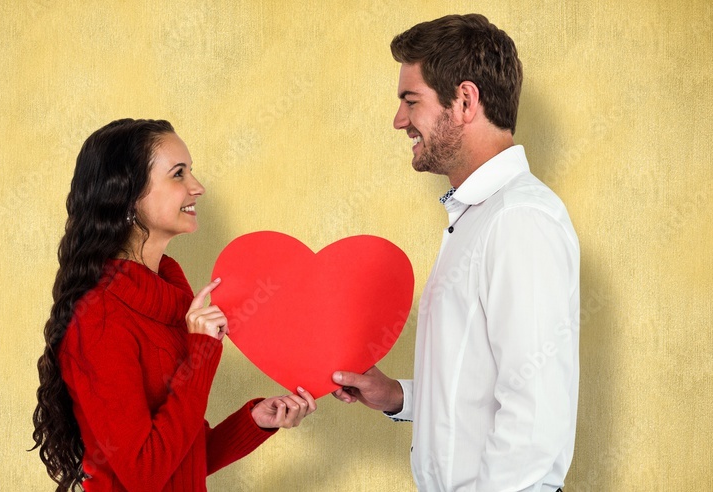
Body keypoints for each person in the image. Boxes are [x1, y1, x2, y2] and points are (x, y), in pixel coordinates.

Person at [332, 14, 580, 492]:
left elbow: (534, 422)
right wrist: (396, 396)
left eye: (410, 101)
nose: (399, 120)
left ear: (464, 101)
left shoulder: (518, 220)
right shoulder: (477, 217)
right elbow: (478, 388)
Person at [32, 118, 316, 492]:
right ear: (128, 195)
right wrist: (201, 354)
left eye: (191, 172)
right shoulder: (100, 319)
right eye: (178, 174)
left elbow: (181, 460)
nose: (197, 187)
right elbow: (145, 474)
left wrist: (256, 421)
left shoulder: (171, 300)